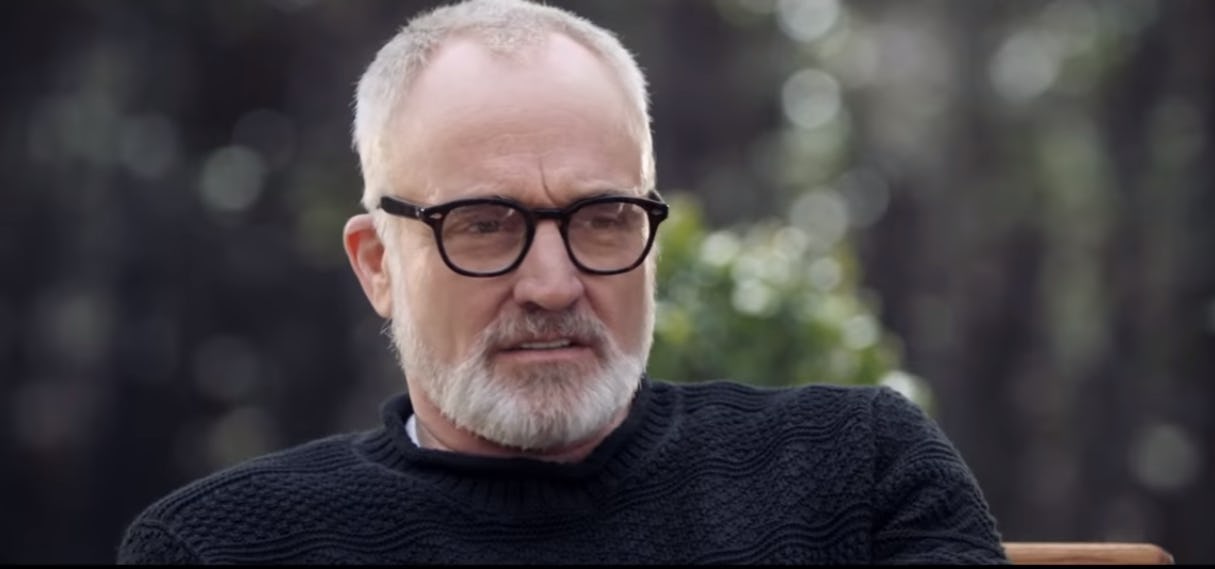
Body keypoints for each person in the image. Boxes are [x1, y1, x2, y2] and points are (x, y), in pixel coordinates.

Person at [116, 0, 1009, 564]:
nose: (552, 283)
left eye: (603, 217)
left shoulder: (853, 468)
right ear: (377, 264)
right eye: (483, 224)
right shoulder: (220, 545)